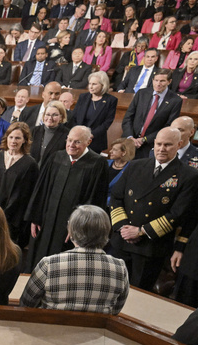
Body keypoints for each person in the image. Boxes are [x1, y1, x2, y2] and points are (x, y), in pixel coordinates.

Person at [109, 127, 198, 291]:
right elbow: (116, 197)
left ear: (179, 145)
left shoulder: (188, 175)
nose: (162, 149)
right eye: (158, 144)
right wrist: (123, 226)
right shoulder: (136, 165)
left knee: (137, 296)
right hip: (121, 241)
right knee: (110, 290)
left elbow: (178, 214)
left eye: (168, 145)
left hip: (150, 247)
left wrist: (140, 231)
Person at [24, 126, 109, 269]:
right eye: (69, 140)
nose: (71, 145)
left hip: (72, 228)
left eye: (77, 142)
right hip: (45, 221)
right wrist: (35, 216)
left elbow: (94, 200)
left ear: (88, 142)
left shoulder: (97, 164)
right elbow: (41, 189)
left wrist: (79, 227)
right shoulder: (56, 157)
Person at [20, 205, 129, 314]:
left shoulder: (49, 264)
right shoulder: (120, 267)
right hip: (96, 330)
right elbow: (115, 310)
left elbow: (26, 304)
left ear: (71, 231)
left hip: (51, 329)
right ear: (106, 232)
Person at [0, 122, 39, 247]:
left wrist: (4, 214)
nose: (13, 141)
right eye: (11, 137)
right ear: (6, 138)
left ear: (24, 140)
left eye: (18, 138)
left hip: (13, 220)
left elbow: (25, 194)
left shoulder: (30, 164)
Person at [121, 68, 183, 159]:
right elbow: (128, 117)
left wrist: (144, 140)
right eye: (156, 80)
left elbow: (169, 126)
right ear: (152, 80)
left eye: (162, 81)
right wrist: (130, 137)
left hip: (151, 145)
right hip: (130, 140)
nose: (158, 84)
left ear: (169, 82)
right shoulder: (142, 93)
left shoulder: (175, 101)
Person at [71, 72, 117, 154]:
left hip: (95, 140)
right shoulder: (83, 97)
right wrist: (78, 133)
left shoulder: (111, 100)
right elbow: (74, 116)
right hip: (77, 138)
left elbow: (107, 122)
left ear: (103, 85)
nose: (91, 87)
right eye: (90, 84)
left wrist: (91, 135)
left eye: (94, 84)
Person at [31, 101, 69, 167]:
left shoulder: (67, 134)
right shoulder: (34, 131)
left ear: (61, 117)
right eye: (47, 114)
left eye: (55, 115)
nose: (50, 118)